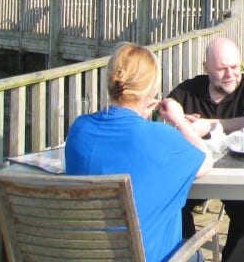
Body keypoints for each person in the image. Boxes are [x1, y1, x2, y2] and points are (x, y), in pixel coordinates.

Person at [65, 42, 214, 262]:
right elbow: (206, 161)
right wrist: (181, 122)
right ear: (152, 90)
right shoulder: (161, 138)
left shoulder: (79, 129)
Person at [168, 37, 244, 262]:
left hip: (240, 176)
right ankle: (187, 257)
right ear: (207, 69)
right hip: (195, 177)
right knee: (172, 205)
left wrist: (209, 125)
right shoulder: (192, 88)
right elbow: (168, 105)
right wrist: (180, 119)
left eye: (234, 67)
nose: (230, 74)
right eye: (222, 69)